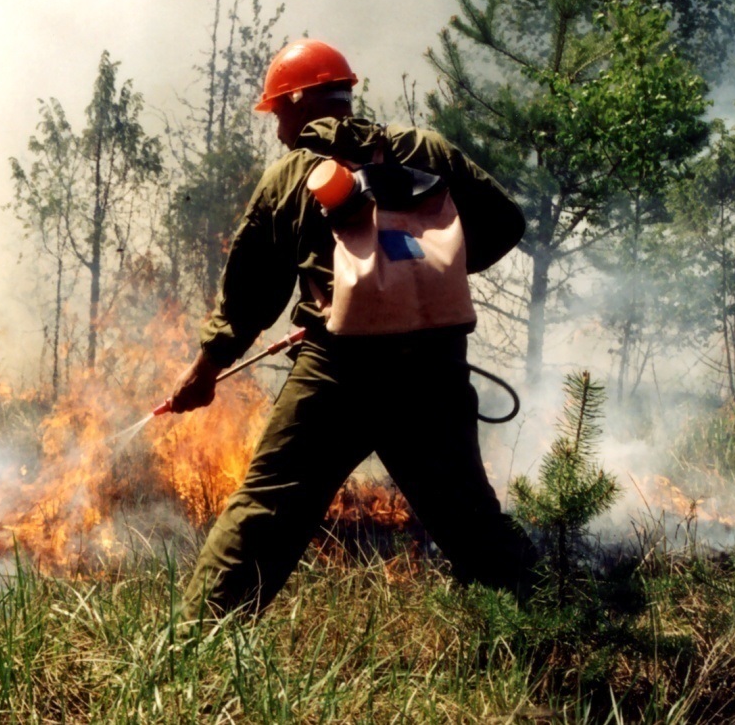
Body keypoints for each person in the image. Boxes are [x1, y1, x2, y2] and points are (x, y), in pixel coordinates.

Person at [169, 39, 536, 621]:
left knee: (266, 512)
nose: (276, 128)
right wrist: (424, 276)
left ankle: (192, 643)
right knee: (469, 520)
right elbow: (504, 222)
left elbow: (249, 297)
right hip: (433, 369)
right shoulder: (425, 150)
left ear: (296, 102)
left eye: (277, 113)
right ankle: (544, 627)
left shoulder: (290, 175)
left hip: (337, 374)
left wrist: (205, 372)